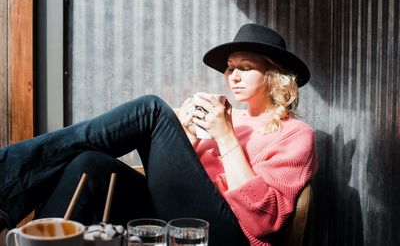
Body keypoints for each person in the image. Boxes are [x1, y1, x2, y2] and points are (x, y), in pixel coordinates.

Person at [0, 23, 317, 246]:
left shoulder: (296, 135)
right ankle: (39, 238)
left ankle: (8, 173)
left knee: (150, 110)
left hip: (228, 236)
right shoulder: (230, 118)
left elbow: (262, 221)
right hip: (179, 218)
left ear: (275, 76)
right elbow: (175, 189)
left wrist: (225, 137)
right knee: (91, 163)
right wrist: (188, 136)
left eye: (245, 67)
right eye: (230, 68)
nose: (232, 77)